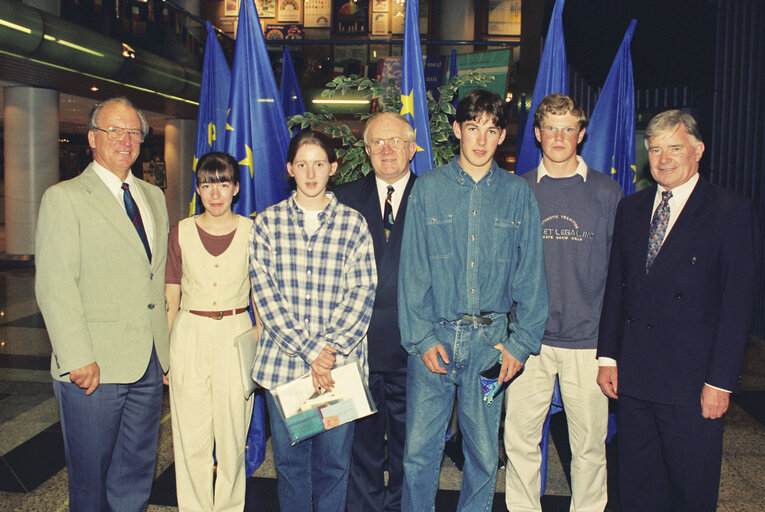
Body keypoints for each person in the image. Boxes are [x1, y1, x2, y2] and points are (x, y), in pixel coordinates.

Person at [597, 110, 761, 512]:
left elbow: (737, 306)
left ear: (698, 150)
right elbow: (617, 290)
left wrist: (720, 383)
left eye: (674, 148)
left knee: (691, 490)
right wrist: (608, 356)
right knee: (637, 486)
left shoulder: (730, 211)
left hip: (692, 384)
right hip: (634, 378)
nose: (663, 158)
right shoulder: (631, 209)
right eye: (655, 149)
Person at [398, 89, 548, 512]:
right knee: (419, 452)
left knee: (483, 455)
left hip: (490, 349)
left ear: (502, 136)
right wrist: (422, 339)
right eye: (472, 128)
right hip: (435, 342)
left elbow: (532, 279)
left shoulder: (519, 194)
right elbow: (413, 272)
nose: (480, 140)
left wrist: (518, 346)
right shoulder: (427, 189)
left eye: (491, 130)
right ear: (455, 131)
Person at [35, 97, 169, 511]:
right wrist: (77, 356)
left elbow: (155, 280)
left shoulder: (153, 197)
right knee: (91, 481)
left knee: (134, 475)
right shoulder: (65, 198)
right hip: (92, 367)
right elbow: (55, 284)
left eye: (134, 132)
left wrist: (164, 356)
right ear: (93, 137)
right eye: (114, 131)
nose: (125, 140)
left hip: (146, 364)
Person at [503, 93, 622, 512]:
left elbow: (621, 274)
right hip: (527, 342)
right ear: (538, 134)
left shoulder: (608, 193)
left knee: (589, 446)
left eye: (568, 128)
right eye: (551, 127)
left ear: (582, 134)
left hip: (587, 342)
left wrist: (612, 350)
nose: (559, 136)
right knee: (519, 440)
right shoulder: (518, 190)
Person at [249, 130, 377, 512]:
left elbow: (362, 292)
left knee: (334, 465)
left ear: (332, 168)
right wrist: (311, 351)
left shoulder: (353, 225)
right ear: (290, 169)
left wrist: (328, 352)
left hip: (338, 371)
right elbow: (266, 297)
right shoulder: (267, 224)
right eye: (301, 164)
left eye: (318, 164)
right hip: (284, 370)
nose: (310, 173)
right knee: (291, 468)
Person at [334, 112, 417, 512]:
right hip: (357, 347)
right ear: (366, 150)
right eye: (377, 143)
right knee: (361, 444)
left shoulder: (432, 195)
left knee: (409, 444)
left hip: (414, 346)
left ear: (412, 147)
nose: (387, 150)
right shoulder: (343, 198)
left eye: (396, 141)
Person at [165, 152, 255, 511]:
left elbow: (260, 293)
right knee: (191, 437)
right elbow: (171, 294)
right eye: (206, 185)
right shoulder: (181, 231)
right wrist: (168, 356)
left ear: (235, 188)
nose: (215, 194)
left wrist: (259, 343)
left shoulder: (253, 230)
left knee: (233, 435)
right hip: (190, 333)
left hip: (236, 332)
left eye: (222, 184)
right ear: (198, 189)